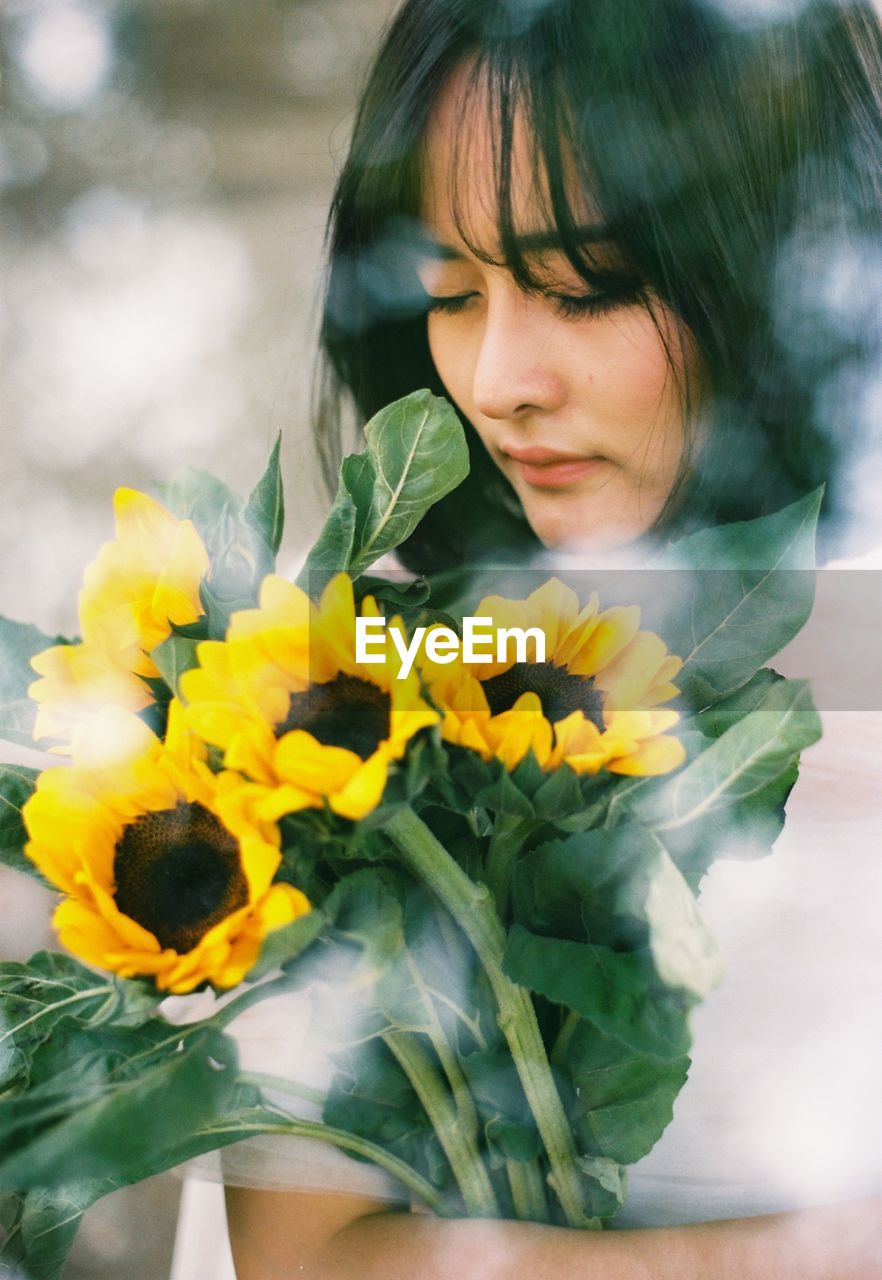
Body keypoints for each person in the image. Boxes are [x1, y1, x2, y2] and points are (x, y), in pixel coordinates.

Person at [199, 0, 882, 1275]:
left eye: (584, 287)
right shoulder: (354, 671)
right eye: (447, 291)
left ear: (793, 262)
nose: (498, 378)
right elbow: (307, 1256)